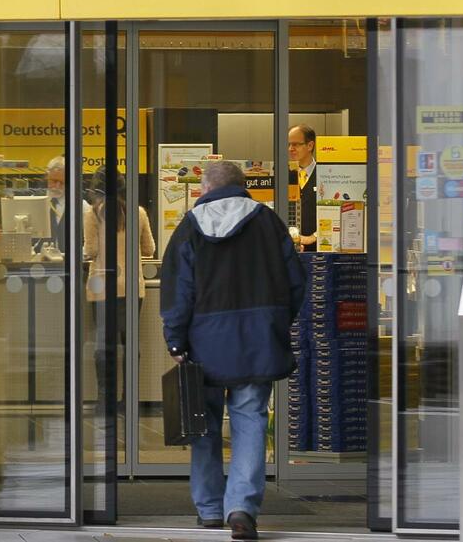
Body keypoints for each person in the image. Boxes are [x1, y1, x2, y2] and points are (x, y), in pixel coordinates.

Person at [160, 160, 306, 540]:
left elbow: (178, 291)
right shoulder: (269, 222)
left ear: (205, 188)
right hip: (258, 341)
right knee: (250, 420)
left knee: (203, 424)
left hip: (204, 342)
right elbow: (296, 281)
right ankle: (241, 508)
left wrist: (175, 339)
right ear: (243, 186)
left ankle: (210, 509)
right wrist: (276, 322)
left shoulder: (189, 227)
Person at [84, 167, 156, 413]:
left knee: (104, 343)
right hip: (132, 287)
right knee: (130, 344)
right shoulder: (138, 213)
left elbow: (91, 251)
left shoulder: (93, 214)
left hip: (101, 287)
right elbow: (149, 249)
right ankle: (129, 398)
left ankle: (105, 399)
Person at [40, 155, 89, 255]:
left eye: (62, 183)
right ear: (47, 178)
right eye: (54, 181)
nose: (57, 186)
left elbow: (89, 242)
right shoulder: (37, 203)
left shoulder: (82, 207)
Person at [288, 124, 318, 251]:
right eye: (289, 144)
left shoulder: (325, 175)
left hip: (318, 248)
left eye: (295, 144)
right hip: (288, 248)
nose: (290, 149)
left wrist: (314, 236)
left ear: (310, 145)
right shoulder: (284, 175)